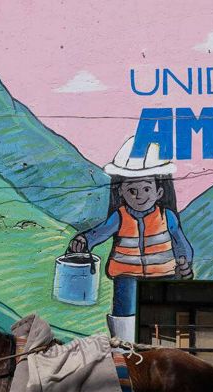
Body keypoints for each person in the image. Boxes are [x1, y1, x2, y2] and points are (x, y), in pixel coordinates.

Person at [67, 137, 193, 342]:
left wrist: (185, 262)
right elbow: (100, 233)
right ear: (121, 191)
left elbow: (181, 243)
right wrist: (84, 241)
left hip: (163, 275)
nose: (139, 196)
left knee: (163, 320)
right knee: (124, 319)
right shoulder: (119, 216)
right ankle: (124, 356)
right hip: (126, 276)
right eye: (132, 190)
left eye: (146, 189)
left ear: (159, 192)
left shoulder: (166, 216)